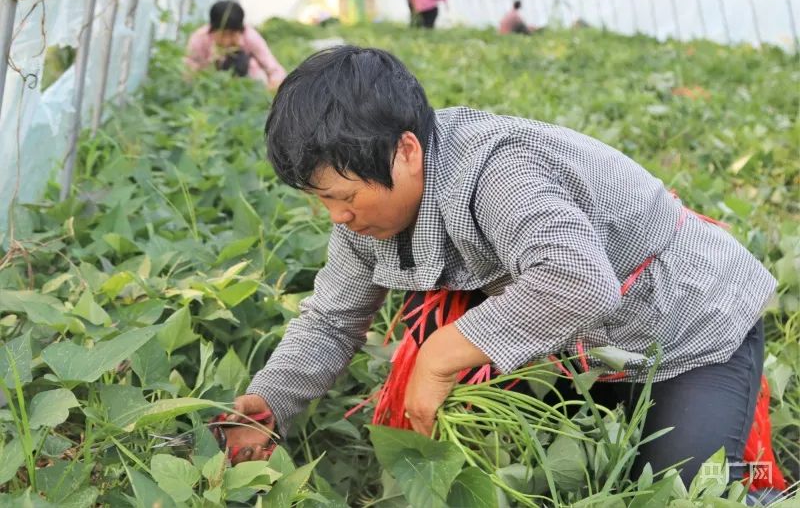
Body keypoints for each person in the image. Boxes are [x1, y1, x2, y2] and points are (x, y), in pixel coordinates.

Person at [217, 46, 779, 488]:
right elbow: (331, 322)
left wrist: (439, 356)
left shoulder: (498, 170)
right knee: (543, 470)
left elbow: (577, 281)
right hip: (581, 350)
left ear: (406, 151)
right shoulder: (368, 216)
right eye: (322, 201)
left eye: (343, 195)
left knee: (683, 490)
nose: (336, 216)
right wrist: (272, 399)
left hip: (686, 327)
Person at [185, 0, 287, 89]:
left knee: (254, 67)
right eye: (223, 34)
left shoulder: (250, 37)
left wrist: (271, 86)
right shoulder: (200, 39)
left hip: (246, 83)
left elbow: (274, 68)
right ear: (212, 29)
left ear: (241, 30)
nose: (227, 41)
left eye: (232, 34)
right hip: (209, 82)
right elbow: (188, 69)